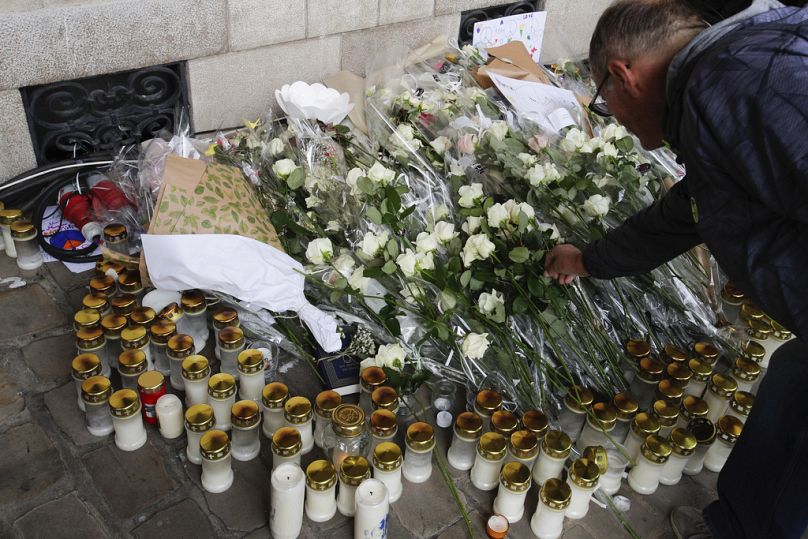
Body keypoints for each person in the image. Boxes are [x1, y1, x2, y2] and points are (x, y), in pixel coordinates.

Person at [543, 0, 808, 538]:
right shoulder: (730, 73)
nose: (615, 119)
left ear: (624, 75)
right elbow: (693, 208)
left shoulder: (734, 87)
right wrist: (590, 260)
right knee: (791, 388)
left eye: (604, 101)